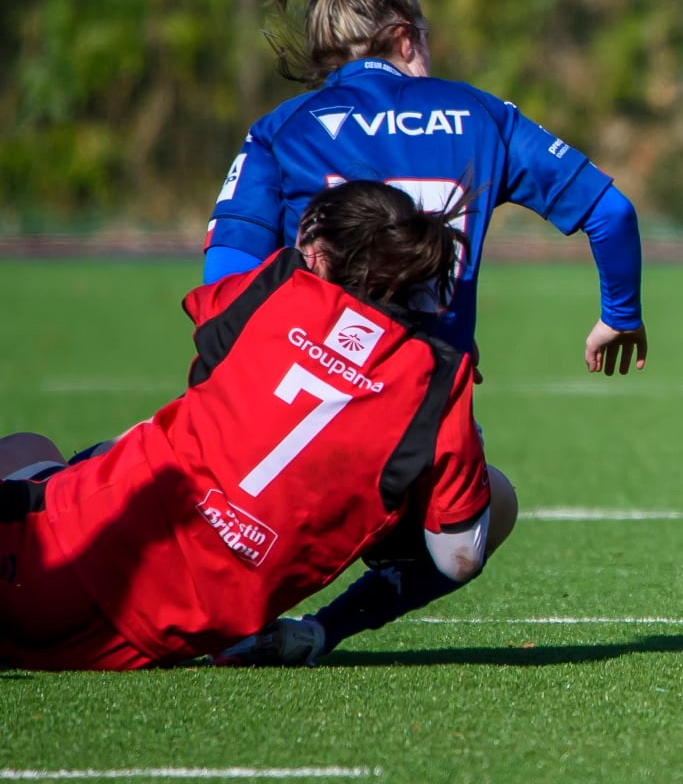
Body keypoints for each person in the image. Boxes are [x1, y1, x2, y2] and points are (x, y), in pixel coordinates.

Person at [199, 0, 648, 665]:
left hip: (283, 436)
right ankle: (322, 631)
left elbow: (223, 294)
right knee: (481, 523)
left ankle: (237, 601)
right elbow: (611, 212)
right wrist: (620, 312)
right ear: (405, 37)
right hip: (416, 431)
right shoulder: (479, 115)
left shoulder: (279, 130)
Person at [1, 181, 491, 671]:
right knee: (494, 501)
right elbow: (459, 556)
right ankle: (314, 634)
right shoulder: (441, 378)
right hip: (144, 640)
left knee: (27, 448)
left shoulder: (281, 285)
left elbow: (210, 337)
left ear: (318, 253)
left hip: (47, 560)